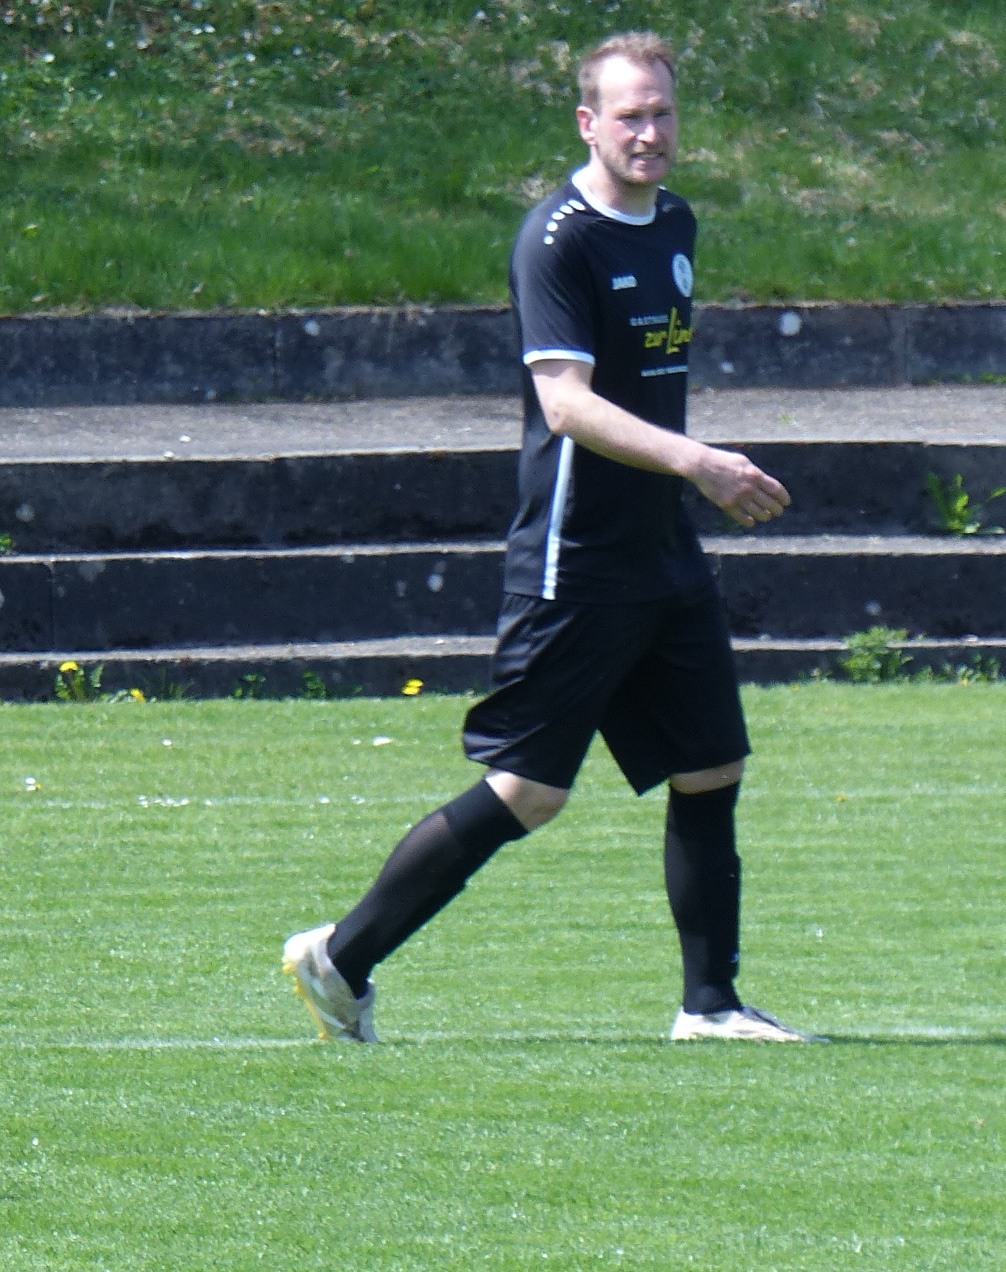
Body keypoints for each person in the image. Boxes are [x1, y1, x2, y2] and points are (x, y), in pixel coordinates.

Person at [281, 32, 819, 1044]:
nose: (649, 132)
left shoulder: (675, 223)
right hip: (578, 560)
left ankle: (709, 1007)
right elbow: (565, 405)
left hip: (661, 550)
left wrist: (682, 482)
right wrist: (699, 463)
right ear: (587, 123)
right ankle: (339, 958)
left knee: (710, 765)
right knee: (528, 792)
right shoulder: (557, 239)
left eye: (661, 112)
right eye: (629, 115)